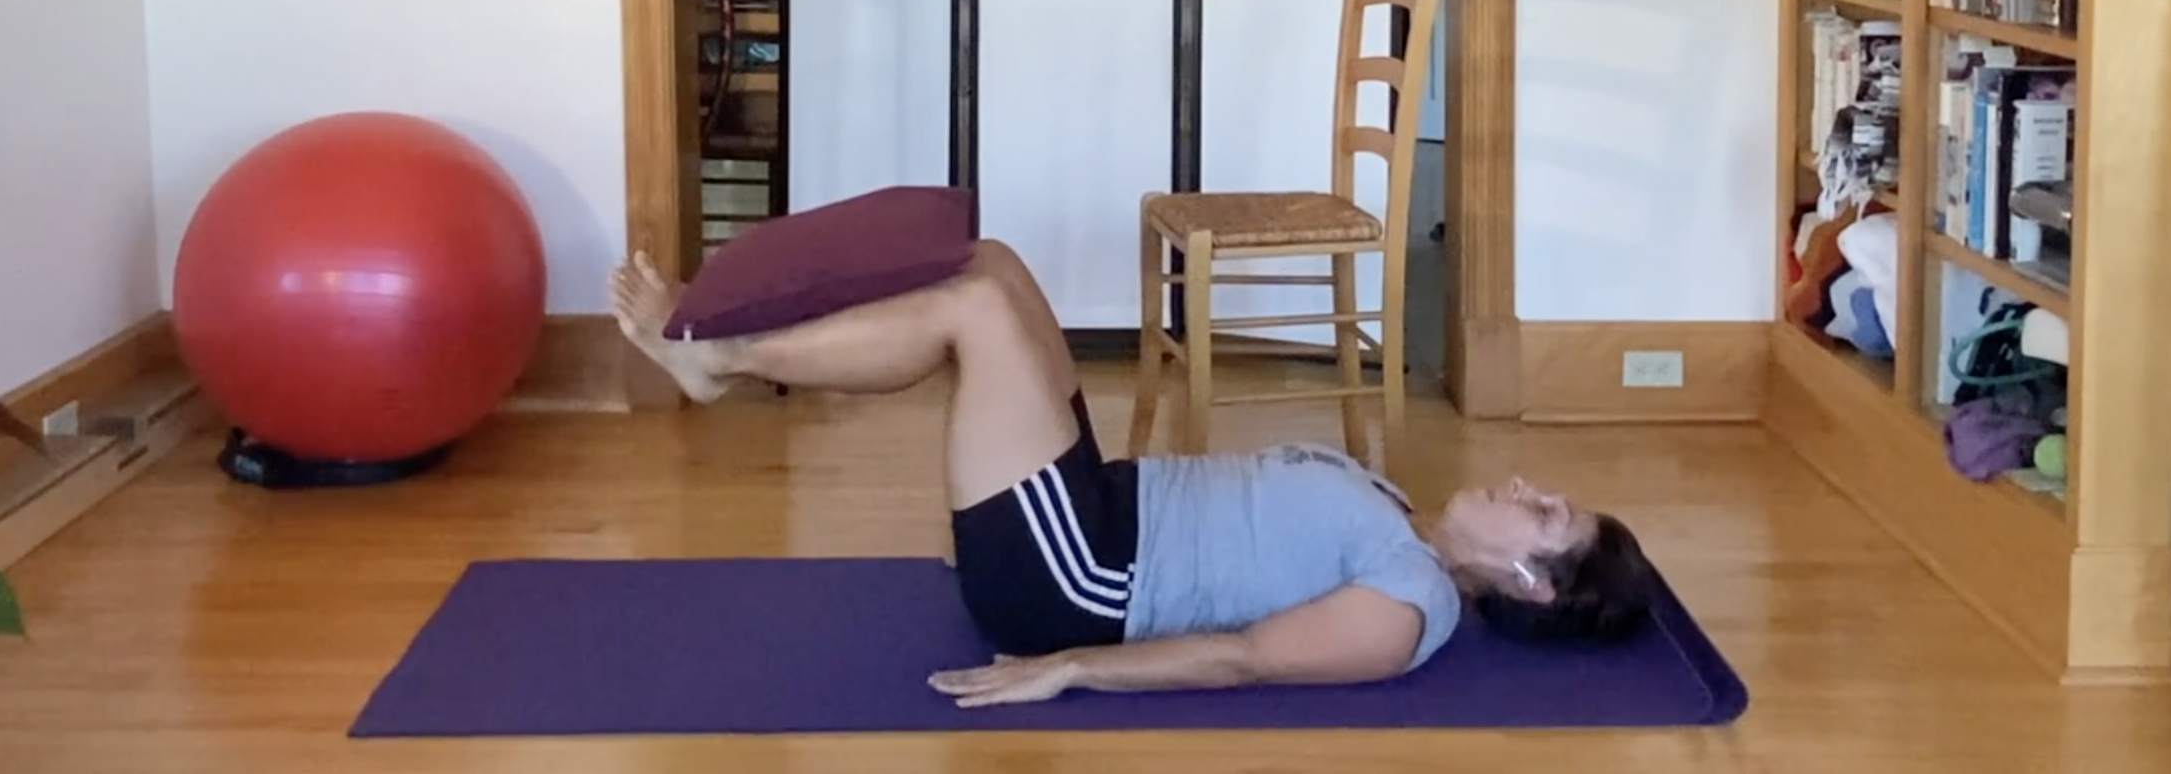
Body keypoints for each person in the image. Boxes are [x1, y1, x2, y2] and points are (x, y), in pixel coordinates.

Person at [610, 238, 1656, 709]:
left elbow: (1244, 657)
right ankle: (753, 327)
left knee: (972, 313)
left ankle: (721, 361)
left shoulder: (1407, 606)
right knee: (992, 265)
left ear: (1531, 583)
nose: (1526, 488)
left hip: (1076, 578)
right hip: (1099, 505)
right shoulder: (1399, 515)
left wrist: (1068, 666)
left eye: (1544, 515)